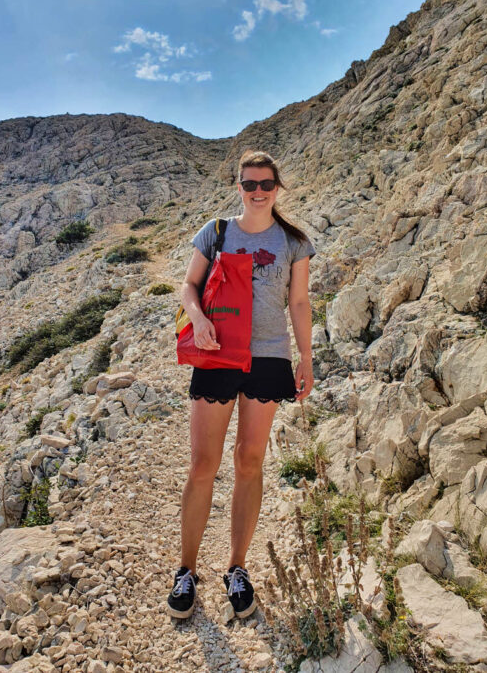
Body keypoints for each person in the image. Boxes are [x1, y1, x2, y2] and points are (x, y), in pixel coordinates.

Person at [167, 149, 315, 620]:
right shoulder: (216, 232)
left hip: (269, 357)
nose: (257, 192)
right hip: (216, 354)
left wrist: (307, 357)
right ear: (239, 187)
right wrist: (196, 318)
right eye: (249, 184)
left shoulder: (294, 241)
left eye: (265, 184)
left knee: (249, 460)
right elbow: (188, 285)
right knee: (202, 463)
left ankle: (236, 568)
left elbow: (299, 303)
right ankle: (186, 571)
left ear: (278, 187)